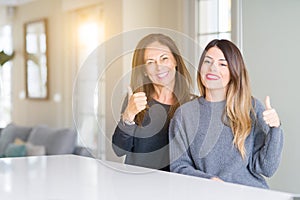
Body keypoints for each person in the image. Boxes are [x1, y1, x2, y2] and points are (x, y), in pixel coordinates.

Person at [169, 39, 283, 188]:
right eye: (207, 62)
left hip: (251, 192)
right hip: (209, 192)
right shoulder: (184, 114)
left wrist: (275, 129)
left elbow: (266, 169)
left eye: (222, 64)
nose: (212, 68)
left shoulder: (251, 108)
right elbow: (179, 167)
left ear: (233, 72)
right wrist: (210, 181)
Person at [112, 33, 195, 171]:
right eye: (150, 62)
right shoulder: (135, 101)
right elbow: (119, 150)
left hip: (176, 187)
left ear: (175, 61)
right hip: (136, 185)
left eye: (164, 58)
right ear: (144, 70)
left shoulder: (192, 105)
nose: (159, 67)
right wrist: (128, 116)